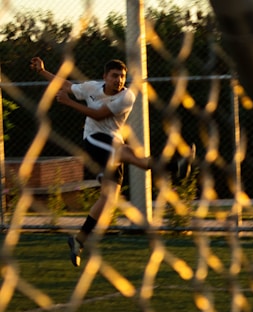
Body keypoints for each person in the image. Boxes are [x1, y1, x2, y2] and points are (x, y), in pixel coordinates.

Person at [30, 56, 192, 268]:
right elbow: (67, 85)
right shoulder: (91, 87)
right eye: (115, 76)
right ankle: (175, 166)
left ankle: (78, 241)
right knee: (127, 153)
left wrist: (69, 103)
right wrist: (43, 71)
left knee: (108, 198)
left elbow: (99, 115)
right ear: (105, 77)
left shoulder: (127, 96)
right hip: (94, 141)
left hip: (112, 142)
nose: (119, 80)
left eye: (122, 76)